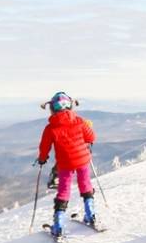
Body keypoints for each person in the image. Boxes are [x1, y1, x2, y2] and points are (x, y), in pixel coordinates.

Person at [36, 92, 102, 234]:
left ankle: (58, 226)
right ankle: (91, 216)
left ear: (52, 108)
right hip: (83, 160)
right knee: (86, 185)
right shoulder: (79, 121)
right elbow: (91, 137)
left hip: (65, 164)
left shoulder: (50, 128)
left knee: (64, 191)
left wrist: (42, 159)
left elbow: (44, 147)